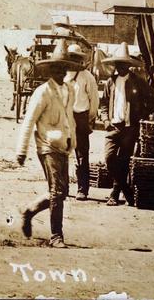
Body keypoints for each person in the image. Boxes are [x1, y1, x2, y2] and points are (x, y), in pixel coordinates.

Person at [16, 39, 81, 248]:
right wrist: (21, 150)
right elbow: (29, 121)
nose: (61, 73)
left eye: (64, 69)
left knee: (62, 192)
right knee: (56, 191)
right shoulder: (42, 92)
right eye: (57, 68)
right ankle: (56, 236)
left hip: (63, 146)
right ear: (50, 70)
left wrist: (73, 142)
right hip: (46, 146)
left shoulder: (70, 91)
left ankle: (29, 210)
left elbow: (70, 119)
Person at [102, 42, 154, 206]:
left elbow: (153, 99)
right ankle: (127, 191)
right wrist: (105, 119)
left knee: (124, 160)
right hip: (113, 127)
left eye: (124, 64)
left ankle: (114, 194)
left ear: (129, 65)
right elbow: (104, 103)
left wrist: (141, 115)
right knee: (109, 158)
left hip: (129, 128)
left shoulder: (137, 82)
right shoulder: (110, 82)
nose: (121, 67)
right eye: (118, 64)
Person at [64, 44, 99, 201]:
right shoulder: (63, 75)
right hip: (65, 118)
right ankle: (62, 187)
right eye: (71, 57)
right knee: (62, 153)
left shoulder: (87, 77)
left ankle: (82, 189)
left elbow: (94, 101)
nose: (74, 60)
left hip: (81, 117)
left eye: (76, 57)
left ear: (80, 59)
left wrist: (89, 119)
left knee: (82, 155)